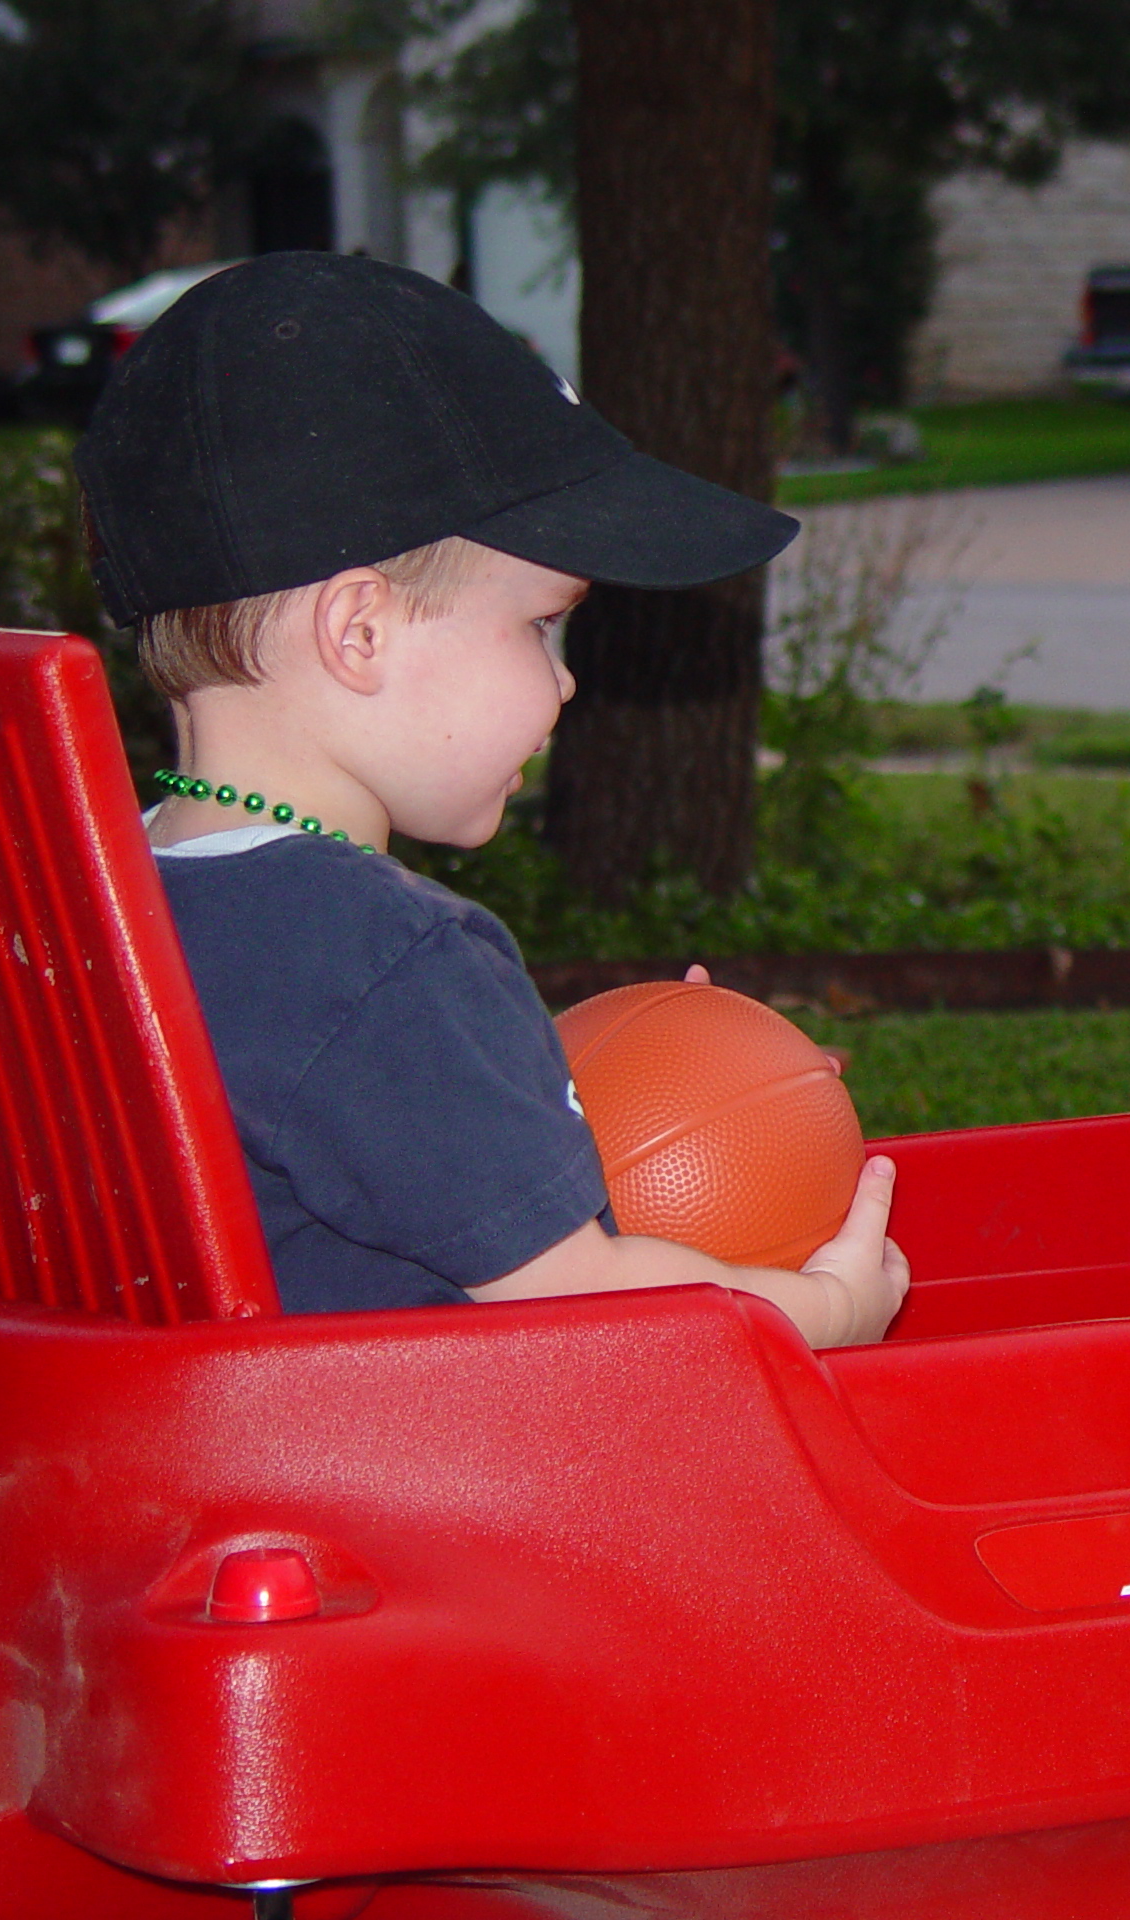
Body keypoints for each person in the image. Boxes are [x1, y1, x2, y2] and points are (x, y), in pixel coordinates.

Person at [74, 251, 906, 1342]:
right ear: (358, 630)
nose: (564, 683)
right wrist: (825, 1307)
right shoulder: (391, 957)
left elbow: (336, 1112)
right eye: (540, 625)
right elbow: (576, 1302)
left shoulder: (110, 903)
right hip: (385, 1487)